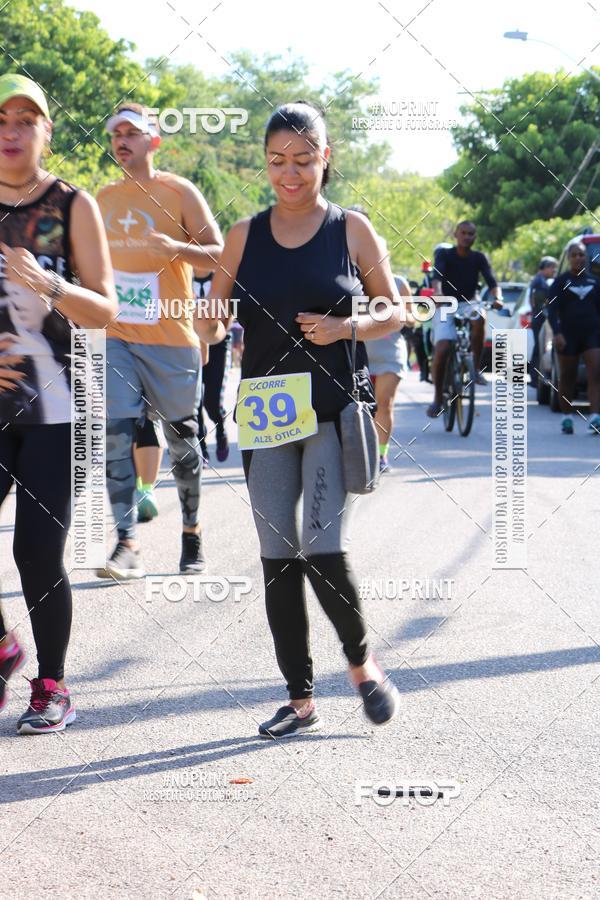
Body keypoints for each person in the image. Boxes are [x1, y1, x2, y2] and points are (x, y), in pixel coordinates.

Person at [197, 101, 403, 738]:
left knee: (321, 545)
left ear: (325, 159)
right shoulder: (243, 235)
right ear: (266, 163)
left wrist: (349, 326)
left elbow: (395, 311)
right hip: (265, 414)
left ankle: (362, 663)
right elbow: (210, 318)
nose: (290, 174)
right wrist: (206, 315)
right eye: (278, 162)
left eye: (304, 161)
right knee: (275, 553)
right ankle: (300, 698)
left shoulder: (351, 229)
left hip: (331, 411)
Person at [0, 74, 116, 733]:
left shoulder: (74, 205)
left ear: (45, 129)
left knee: (36, 554)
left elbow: (104, 308)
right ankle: (2, 649)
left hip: (58, 406)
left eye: (26, 119)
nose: (11, 130)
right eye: (1, 118)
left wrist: (51, 283)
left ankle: (52, 685)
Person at [96, 104, 223, 579]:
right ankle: (125, 541)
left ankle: (191, 533)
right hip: (117, 335)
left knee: (182, 442)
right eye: (116, 135)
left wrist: (175, 250)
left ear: (155, 141)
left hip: (171, 336)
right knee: (117, 431)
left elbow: (218, 258)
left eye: (133, 133)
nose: (122, 141)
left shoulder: (179, 192)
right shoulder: (102, 198)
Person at [427, 222, 503, 417]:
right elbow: (437, 278)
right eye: (463, 233)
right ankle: (437, 399)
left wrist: (498, 298)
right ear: (456, 234)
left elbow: (492, 281)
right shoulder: (444, 255)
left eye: (471, 234)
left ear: (475, 237)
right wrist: (437, 294)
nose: (467, 237)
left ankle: (475, 368)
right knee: (443, 348)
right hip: (446, 304)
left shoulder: (479, 258)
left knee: (480, 317)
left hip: (470, 303)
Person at [546, 241, 600, 434]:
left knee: (596, 373)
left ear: (586, 258)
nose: (579, 258)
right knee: (568, 377)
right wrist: (557, 332)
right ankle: (567, 417)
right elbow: (551, 310)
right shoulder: (560, 282)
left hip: (592, 334)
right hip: (567, 336)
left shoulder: (595, 282)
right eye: (575, 255)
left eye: (582, 255)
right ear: (568, 258)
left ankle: (595, 417)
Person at [195, 273, 231, 465]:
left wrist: (210, 336)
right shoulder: (182, 271)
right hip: (189, 343)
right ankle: (200, 446)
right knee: (194, 402)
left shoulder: (219, 273)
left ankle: (220, 428)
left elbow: (229, 312)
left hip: (218, 344)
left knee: (211, 402)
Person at [528, 256, 558, 387]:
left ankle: (535, 378)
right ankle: (535, 378)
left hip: (540, 319)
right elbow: (540, 304)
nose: (554, 270)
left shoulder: (542, 280)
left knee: (538, 348)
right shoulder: (539, 282)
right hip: (540, 320)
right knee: (539, 349)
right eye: (552, 267)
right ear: (544, 268)